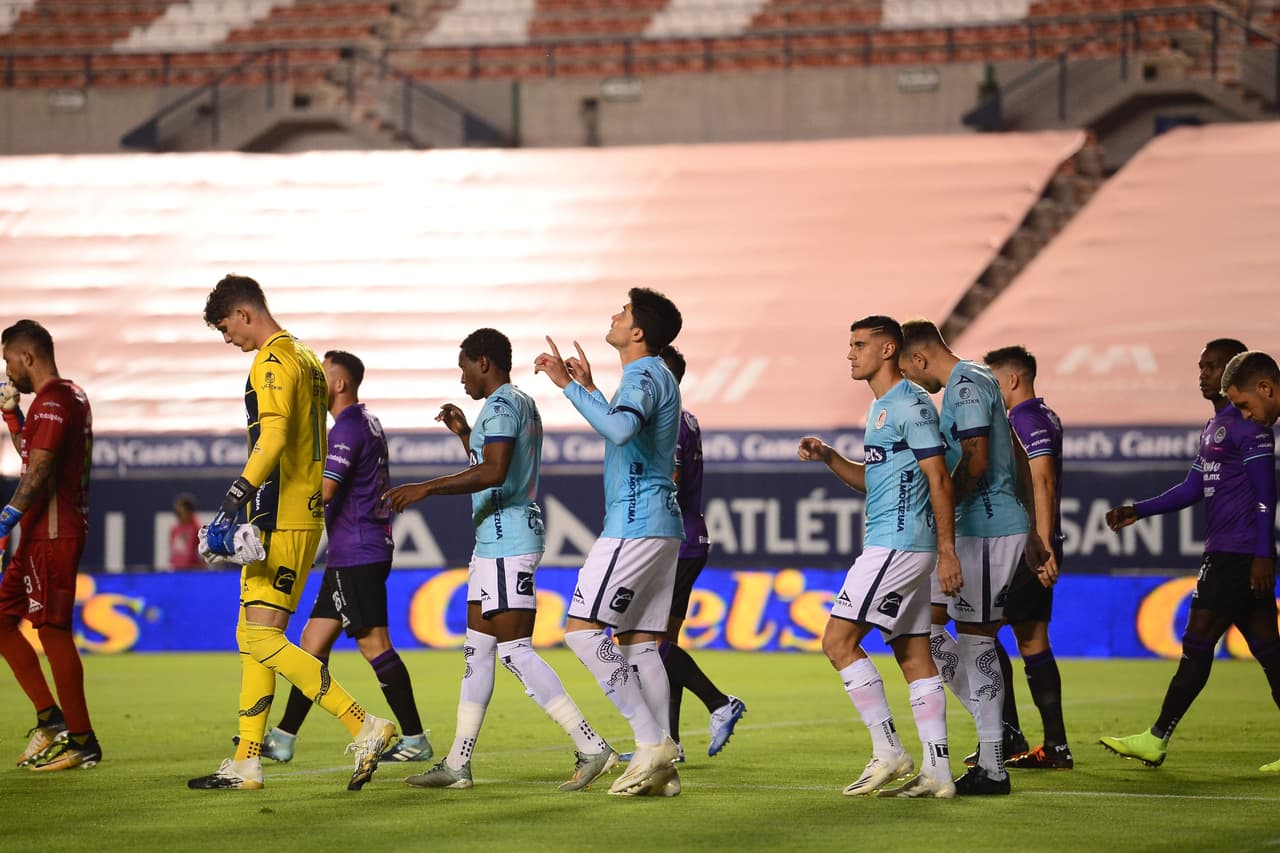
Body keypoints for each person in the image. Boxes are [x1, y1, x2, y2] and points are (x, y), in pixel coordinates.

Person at [385, 328, 617, 792]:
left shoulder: (502, 404)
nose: (462, 379)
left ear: (484, 362)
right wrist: (465, 435)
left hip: (508, 541)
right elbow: (495, 460)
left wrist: (426, 487)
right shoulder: (520, 403)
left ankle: (593, 747)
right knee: (478, 651)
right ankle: (457, 764)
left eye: (464, 368)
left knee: (514, 652)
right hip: (492, 545)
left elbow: (494, 471)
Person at [188, 274, 395, 791]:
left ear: (244, 314)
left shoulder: (273, 360)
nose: (227, 339)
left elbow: (275, 436)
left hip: (279, 517)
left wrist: (236, 497)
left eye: (225, 327)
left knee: (258, 636)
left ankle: (364, 723)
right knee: (255, 637)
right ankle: (247, 760)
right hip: (295, 515)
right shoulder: (306, 359)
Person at [797, 315, 958, 799]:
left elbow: (940, 478)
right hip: (901, 543)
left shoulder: (910, 405)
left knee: (837, 642)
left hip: (898, 543)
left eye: (859, 344)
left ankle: (888, 750)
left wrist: (948, 550)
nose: (850, 353)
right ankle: (939, 774)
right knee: (913, 655)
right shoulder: (884, 408)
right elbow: (875, 480)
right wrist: (830, 456)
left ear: (889, 349)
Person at [533, 287, 685, 798]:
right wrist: (592, 389)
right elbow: (627, 429)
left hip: (635, 523)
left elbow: (620, 432)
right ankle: (664, 768)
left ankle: (650, 744)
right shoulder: (654, 374)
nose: (614, 316)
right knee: (641, 645)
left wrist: (567, 389)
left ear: (638, 331)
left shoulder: (642, 373)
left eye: (622, 313)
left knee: (580, 630)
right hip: (662, 524)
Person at [1101, 339, 1280, 772]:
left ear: (1235, 374)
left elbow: (1266, 496)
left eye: (1211, 367)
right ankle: (1156, 737)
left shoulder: (1249, 427)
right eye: (1200, 367)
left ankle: (1157, 737)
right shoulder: (1217, 427)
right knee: (1269, 650)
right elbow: (1192, 488)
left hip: (1235, 556)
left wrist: (1263, 554)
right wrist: (1138, 510)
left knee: (1198, 642)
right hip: (1230, 552)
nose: (1202, 375)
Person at [251, 350, 431, 765]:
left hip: (357, 552)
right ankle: (283, 737)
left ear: (340, 384)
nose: (315, 384)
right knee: (312, 643)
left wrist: (276, 491)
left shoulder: (347, 428)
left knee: (374, 645)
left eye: (322, 377)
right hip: (352, 552)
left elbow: (326, 491)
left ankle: (416, 738)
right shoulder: (365, 421)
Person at [898, 318, 1052, 796]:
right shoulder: (978, 376)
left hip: (984, 527)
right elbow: (1020, 457)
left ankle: (993, 764)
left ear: (920, 358)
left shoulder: (964, 387)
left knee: (976, 638)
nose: (911, 381)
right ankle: (994, 733)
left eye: (908, 370)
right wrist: (1029, 523)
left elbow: (978, 459)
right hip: (993, 525)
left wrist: (946, 504)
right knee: (918, 623)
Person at [0, 319, 102, 771]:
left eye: (7, 361)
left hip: (53, 533)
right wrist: (12, 417)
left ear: (27, 357)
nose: (7, 372)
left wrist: (5, 520)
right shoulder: (67, 396)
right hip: (41, 530)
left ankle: (82, 739)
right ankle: (50, 717)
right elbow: (34, 454)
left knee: (52, 630)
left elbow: (38, 471)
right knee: (1, 620)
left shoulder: (55, 400)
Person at [983, 345, 1072, 769]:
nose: (989, 391)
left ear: (1013, 380)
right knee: (1031, 640)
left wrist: (1040, 544)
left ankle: (1008, 736)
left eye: (993, 382)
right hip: (1036, 541)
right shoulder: (1046, 415)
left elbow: (1043, 479)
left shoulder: (1024, 418)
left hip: (1023, 546)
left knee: (979, 633)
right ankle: (1054, 745)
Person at [656, 345, 745, 759]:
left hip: (672, 540)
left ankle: (717, 701)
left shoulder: (669, 419)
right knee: (663, 645)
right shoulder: (687, 417)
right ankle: (669, 743)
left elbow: (670, 476)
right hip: (690, 538)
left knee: (642, 642)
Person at [169, 493, 204, 570]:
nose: (178, 515)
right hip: (177, 571)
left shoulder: (197, 529)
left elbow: (203, 553)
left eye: (181, 512)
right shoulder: (175, 530)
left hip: (192, 572)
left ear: (189, 512)